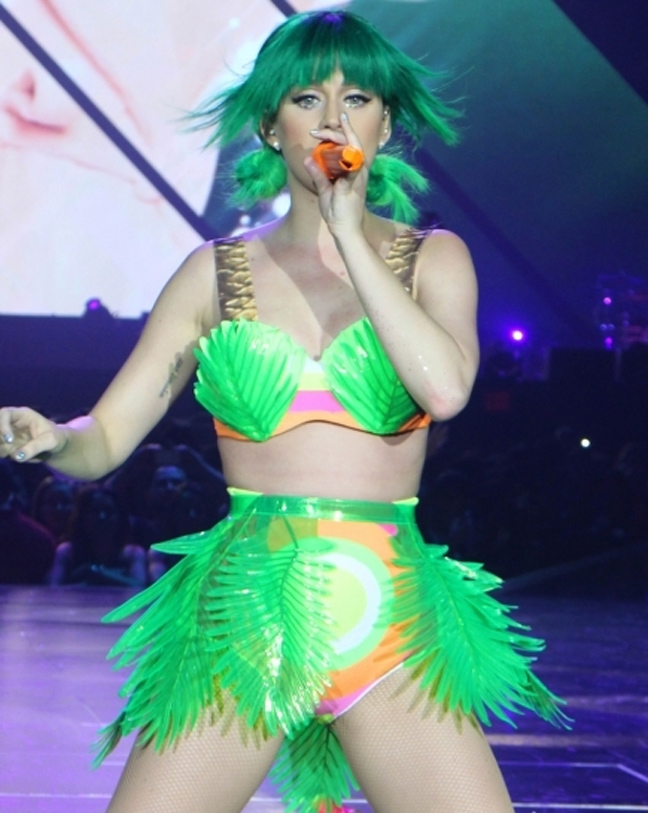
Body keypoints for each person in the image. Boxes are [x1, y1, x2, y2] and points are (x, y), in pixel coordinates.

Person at [0, 10, 568, 813]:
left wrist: (352, 236)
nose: (334, 119)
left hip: (392, 623)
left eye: (357, 98)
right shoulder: (212, 274)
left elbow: (445, 390)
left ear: (385, 124)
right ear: (271, 127)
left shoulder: (435, 259)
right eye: (307, 99)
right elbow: (108, 439)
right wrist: (54, 437)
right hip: (246, 618)